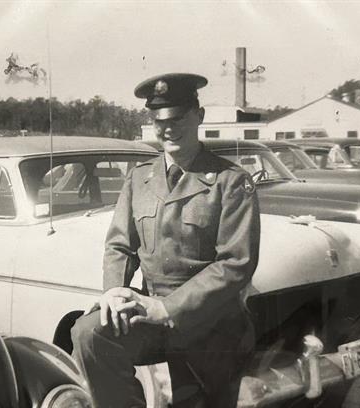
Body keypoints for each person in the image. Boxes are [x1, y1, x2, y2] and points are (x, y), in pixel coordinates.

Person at [71, 73, 260, 407]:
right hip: (153, 318)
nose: (168, 128)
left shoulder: (231, 182)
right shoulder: (139, 178)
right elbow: (119, 246)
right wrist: (113, 291)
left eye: (178, 118)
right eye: (159, 120)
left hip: (211, 325)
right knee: (89, 333)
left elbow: (236, 264)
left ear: (199, 116)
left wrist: (167, 307)